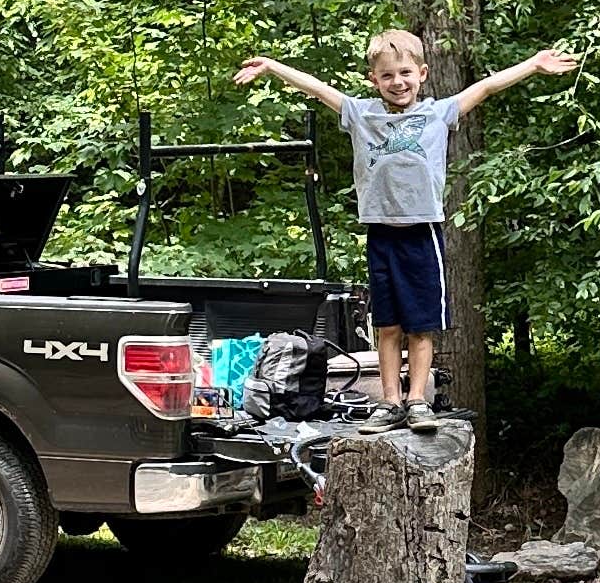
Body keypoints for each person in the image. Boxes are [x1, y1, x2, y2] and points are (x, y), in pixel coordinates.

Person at [234, 28, 579, 429]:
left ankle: (418, 400)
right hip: (381, 233)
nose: (397, 82)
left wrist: (533, 65)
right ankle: (390, 402)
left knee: (421, 323)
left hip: (422, 233)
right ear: (373, 80)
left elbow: (485, 87)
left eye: (405, 73)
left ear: (422, 73)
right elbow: (317, 88)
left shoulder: (438, 114)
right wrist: (272, 66)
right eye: (387, 76)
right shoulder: (360, 115)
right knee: (387, 324)